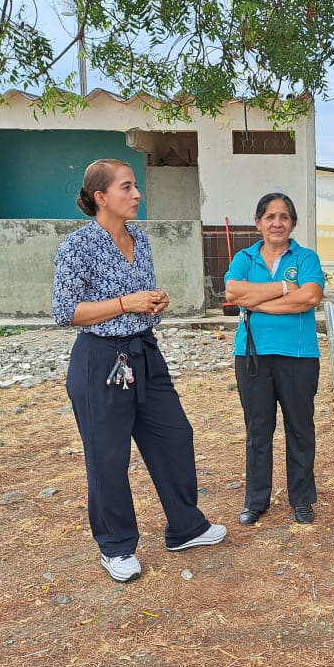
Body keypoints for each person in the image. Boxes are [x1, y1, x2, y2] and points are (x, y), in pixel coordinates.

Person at [53, 159, 227, 583]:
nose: (137, 194)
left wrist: (153, 302)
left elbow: (138, 296)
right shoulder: (77, 246)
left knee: (174, 435)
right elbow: (65, 311)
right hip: (101, 360)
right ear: (101, 197)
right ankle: (116, 546)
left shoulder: (140, 240)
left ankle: (186, 527)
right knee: (108, 456)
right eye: (127, 187)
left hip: (145, 352)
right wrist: (125, 304)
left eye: (135, 187)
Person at [224, 193, 325, 525]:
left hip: (298, 355)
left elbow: (310, 296)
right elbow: (232, 292)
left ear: (293, 223)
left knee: (300, 428)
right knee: (258, 429)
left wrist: (255, 302)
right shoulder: (245, 258)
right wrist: (285, 288)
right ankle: (256, 501)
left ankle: (302, 500)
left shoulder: (306, 257)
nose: (277, 223)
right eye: (270, 216)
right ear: (258, 222)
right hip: (252, 355)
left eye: (284, 217)